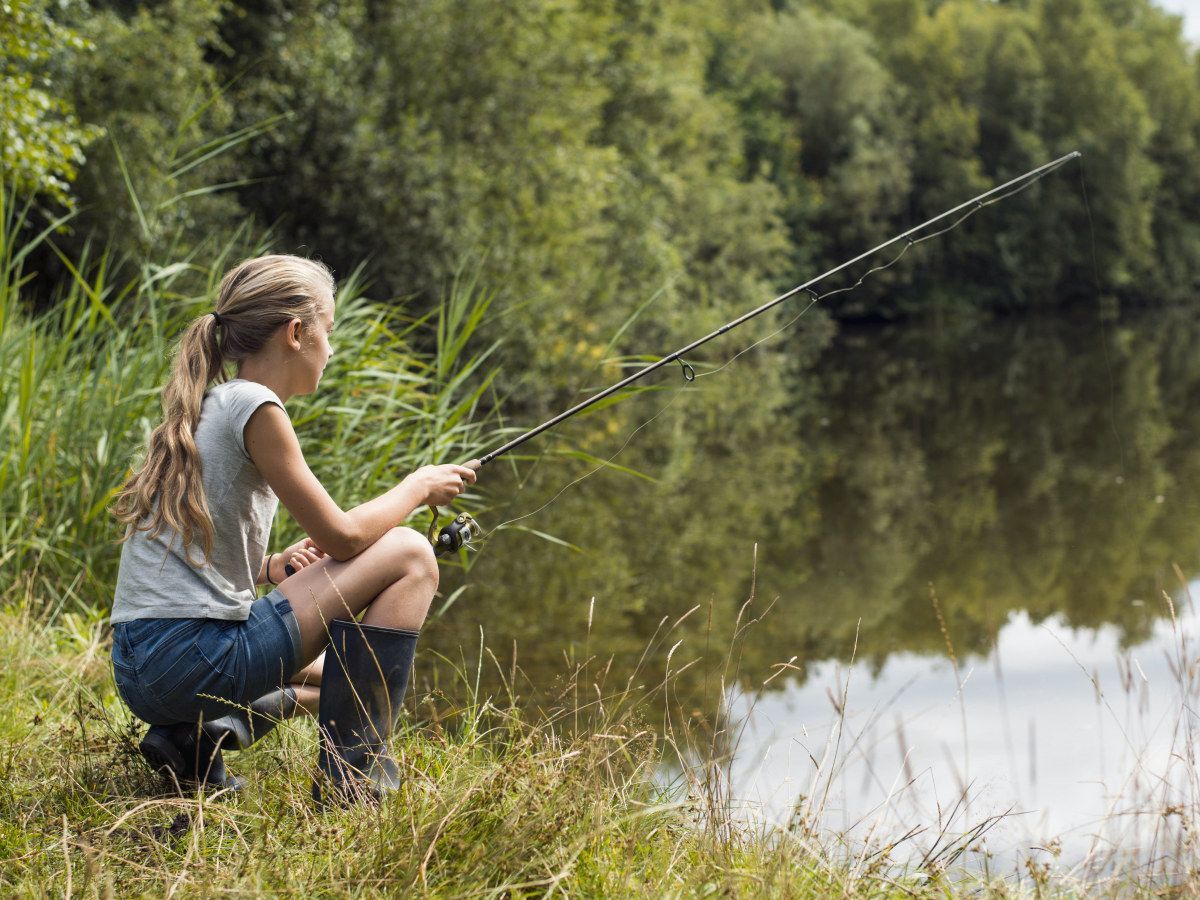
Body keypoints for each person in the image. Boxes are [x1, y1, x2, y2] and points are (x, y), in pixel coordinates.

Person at [107, 253, 480, 803]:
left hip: (143, 665)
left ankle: (194, 740)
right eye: (329, 332)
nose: (332, 349)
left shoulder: (215, 404)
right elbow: (344, 539)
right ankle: (353, 789)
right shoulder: (258, 407)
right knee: (410, 552)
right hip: (188, 657)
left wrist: (268, 569)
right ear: (296, 332)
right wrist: (419, 486)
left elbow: (187, 561)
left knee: (342, 673)